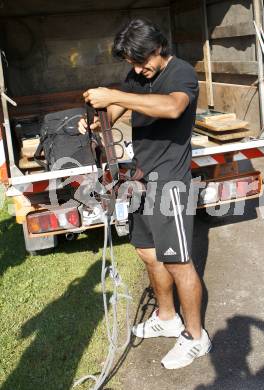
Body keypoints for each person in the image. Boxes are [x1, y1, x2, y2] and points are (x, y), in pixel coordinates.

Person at [78, 18, 211, 370]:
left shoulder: (180, 72)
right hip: (142, 179)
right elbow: (119, 107)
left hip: (170, 183)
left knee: (178, 262)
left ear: (157, 48)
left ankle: (196, 338)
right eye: (132, 65)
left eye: (141, 62)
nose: (137, 70)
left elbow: (172, 107)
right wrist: (96, 119)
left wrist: (116, 94)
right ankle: (167, 317)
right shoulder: (139, 77)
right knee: (149, 254)